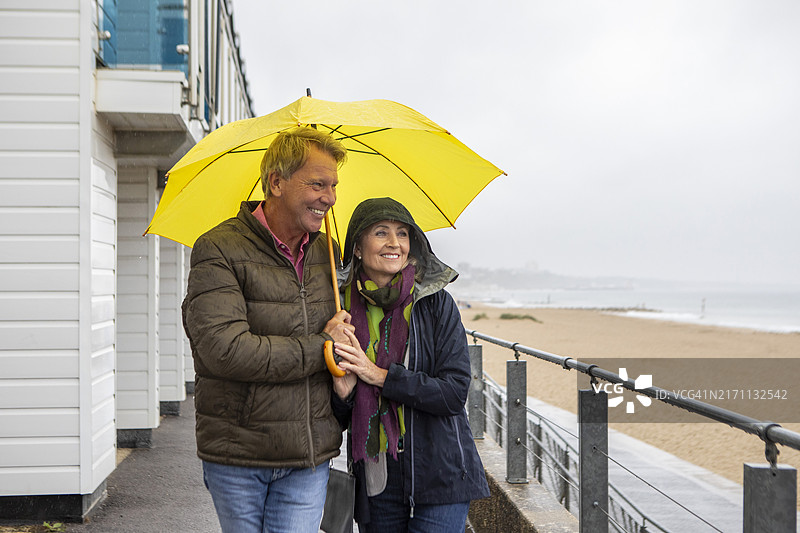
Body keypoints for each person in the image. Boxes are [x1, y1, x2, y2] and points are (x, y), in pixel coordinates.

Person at [182, 127, 354, 533]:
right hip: (239, 452)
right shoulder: (219, 248)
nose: (328, 197)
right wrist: (323, 348)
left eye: (332, 186)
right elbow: (224, 350)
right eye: (317, 184)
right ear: (276, 182)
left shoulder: (328, 253)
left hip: (308, 454)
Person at [330, 197, 490, 533]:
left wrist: (381, 376)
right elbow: (334, 417)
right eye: (381, 233)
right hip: (377, 478)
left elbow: (453, 393)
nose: (394, 243)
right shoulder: (340, 312)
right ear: (357, 247)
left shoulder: (435, 305)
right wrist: (342, 393)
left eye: (402, 234)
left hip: (441, 472)